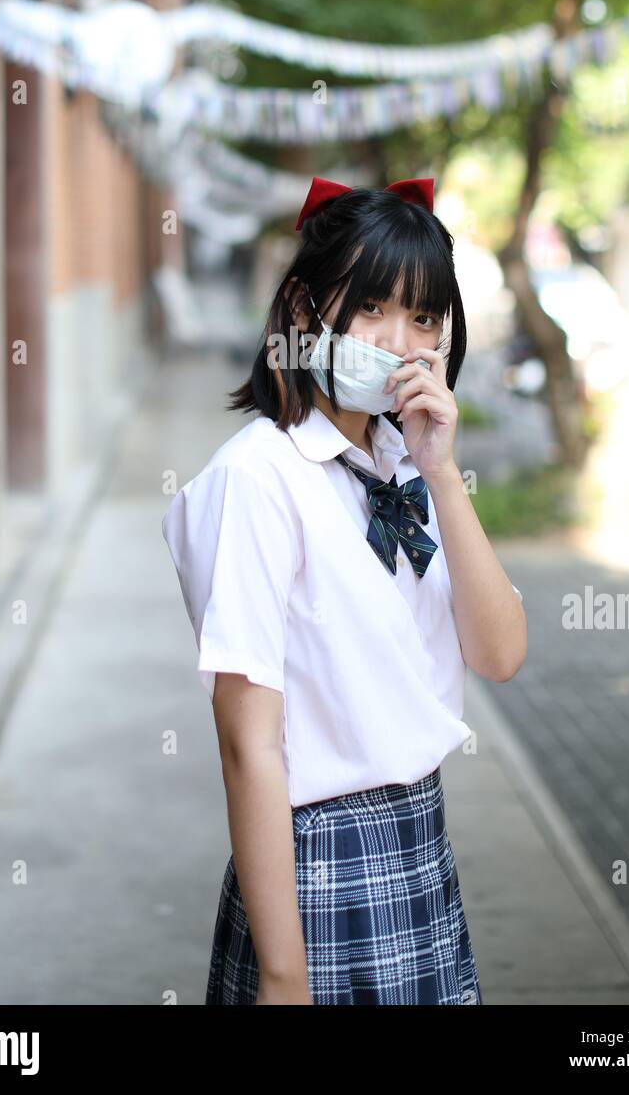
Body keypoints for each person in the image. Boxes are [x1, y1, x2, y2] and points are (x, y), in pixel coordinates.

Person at [161, 175, 528, 1005]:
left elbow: (501, 654)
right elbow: (247, 747)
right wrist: (284, 978)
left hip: (422, 852)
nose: (400, 342)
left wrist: (442, 473)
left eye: (424, 317)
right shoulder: (258, 479)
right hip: (318, 877)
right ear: (302, 311)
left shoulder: (401, 468)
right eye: (370, 308)